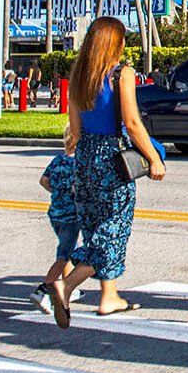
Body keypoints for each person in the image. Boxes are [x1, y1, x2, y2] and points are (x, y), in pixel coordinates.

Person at [42, 17, 166, 329]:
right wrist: (154, 159)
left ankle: (109, 297)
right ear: (116, 43)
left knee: (95, 226)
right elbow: (132, 123)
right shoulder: (122, 74)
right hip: (112, 159)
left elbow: (74, 129)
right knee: (112, 233)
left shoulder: (79, 74)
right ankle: (66, 286)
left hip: (84, 158)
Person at [28, 140, 87, 314]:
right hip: (71, 216)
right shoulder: (79, 165)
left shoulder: (57, 160)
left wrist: (57, 192)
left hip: (55, 213)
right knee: (64, 255)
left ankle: (70, 288)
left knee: (68, 250)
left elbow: (44, 181)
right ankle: (44, 290)